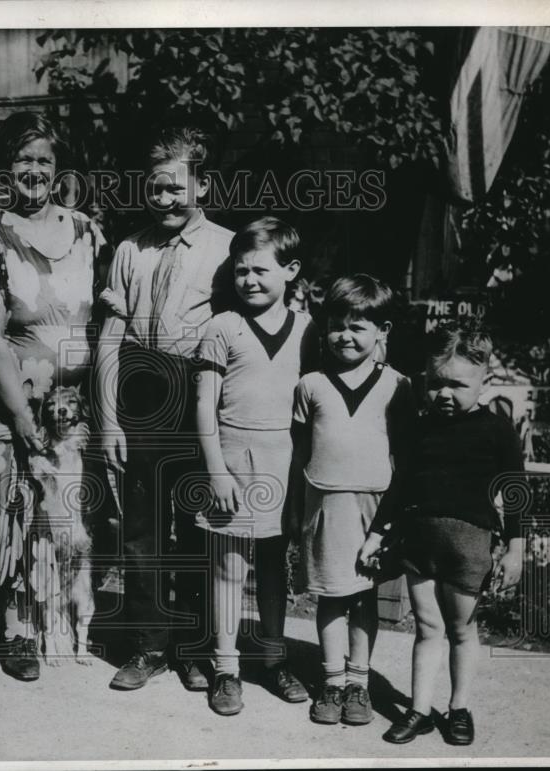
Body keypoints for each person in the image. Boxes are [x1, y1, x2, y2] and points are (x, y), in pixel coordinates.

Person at [0, 111, 109, 682]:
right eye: (23, 159)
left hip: (75, 414)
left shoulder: (87, 231)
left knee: (69, 524)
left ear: (58, 168)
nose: (35, 171)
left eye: (44, 159)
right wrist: (19, 415)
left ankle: (70, 625)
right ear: (3, 169)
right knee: (14, 517)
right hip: (12, 410)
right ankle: (17, 632)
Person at [94, 125, 235, 692]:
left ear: (202, 185)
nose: (165, 200)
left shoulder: (229, 249)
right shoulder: (130, 249)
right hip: (141, 393)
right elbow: (109, 336)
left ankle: (196, 649)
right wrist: (107, 421)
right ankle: (149, 644)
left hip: (200, 395)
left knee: (199, 525)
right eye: (155, 188)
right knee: (143, 528)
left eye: (177, 187)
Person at [361, 321, 525, 746]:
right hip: (420, 543)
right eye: (435, 384)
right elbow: (401, 486)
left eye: (457, 385)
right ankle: (418, 710)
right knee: (427, 629)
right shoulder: (420, 426)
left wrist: (516, 549)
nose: (445, 395)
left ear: (483, 380)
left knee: (462, 631)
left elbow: (516, 492)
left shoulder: (497, 430)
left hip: (469, 547)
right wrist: (377, 534)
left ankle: (459, 708)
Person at [193, 217, 317, 715]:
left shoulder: (310, 331)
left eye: (259, 270)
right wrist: (216, 469)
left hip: (282, 463)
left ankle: (271, 658)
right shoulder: (223, 326)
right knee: (227, 567)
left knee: (272, 566)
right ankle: (225, 668)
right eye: (240, 271)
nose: (248, 280)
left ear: (291, 270)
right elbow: (204, 405)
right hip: (231, 462)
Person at [289, 274, 415, 726]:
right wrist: (293, 506)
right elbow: (300, 451)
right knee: (331, 596)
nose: (345, 334)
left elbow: (403, 456)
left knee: (364, 596)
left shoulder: (398, 385)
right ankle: (332, 681)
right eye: (338, 324)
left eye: (358, 326)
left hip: (375, 508)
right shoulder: (312, 385)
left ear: (382, 331)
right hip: (325, 503)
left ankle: (358, 682)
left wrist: (397, 518)